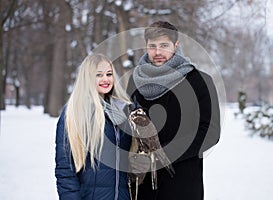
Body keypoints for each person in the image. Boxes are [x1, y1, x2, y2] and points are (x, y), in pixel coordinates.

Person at [127, 21, 221, 200]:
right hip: (143, 186)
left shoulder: (200, 81)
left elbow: (211, 132)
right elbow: (126, 127)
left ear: (176, 45)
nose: (158, 52)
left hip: (182, 183)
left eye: (164, 46)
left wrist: (163, 155)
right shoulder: (135, 82)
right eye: (152, 46)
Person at [55, 53, 132, 200]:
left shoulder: (122, 111)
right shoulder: (75, 112)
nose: (105, 79)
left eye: (109, 74)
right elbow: (65, 170)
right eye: (98, 75)